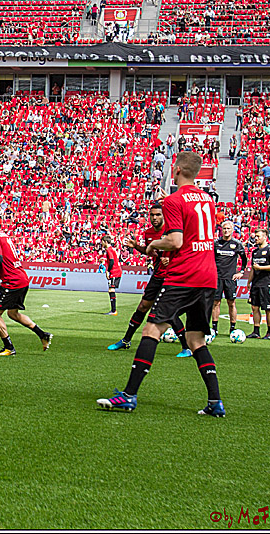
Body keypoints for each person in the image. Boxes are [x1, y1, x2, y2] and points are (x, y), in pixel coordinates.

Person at [97, 151, 224, 417]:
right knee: (196, 339)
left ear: (176, 169)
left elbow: (176, 242)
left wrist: (154, 243)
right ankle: (215, 402)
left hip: (184, 275)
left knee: (151, 331)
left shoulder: (174, 200)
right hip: (207, 275)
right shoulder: (208, 200)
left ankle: (129, 396)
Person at [110, 204, 191, 357]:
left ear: (164, 216)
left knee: (169, 311)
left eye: (158, 215)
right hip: (157, 276)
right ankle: (126, 340)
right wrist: (137, 247)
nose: (155, 218)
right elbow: (151, 253)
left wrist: (172, 261)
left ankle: (187, 347)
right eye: (152, 215)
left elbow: (184, 252)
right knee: (142, 306)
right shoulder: (148, 233)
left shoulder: (172, 232)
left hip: (172, 277)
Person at [0, 212, 52, 356]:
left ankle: (9, 348)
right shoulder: (3, 235)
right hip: (21, 278)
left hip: (13, 282)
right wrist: (0, 274)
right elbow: (8, 259)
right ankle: (42, 335)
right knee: (13, 313)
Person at [212, 220, 247, 337]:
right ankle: (214, 328)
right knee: (216, 303)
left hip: (230, 278)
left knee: (231, 303)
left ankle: (232, 328)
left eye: (228, 229)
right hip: (217, 277)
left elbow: (244, 259)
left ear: (232, 230)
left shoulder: (236, 244)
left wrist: (241, 272)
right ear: (221, 230)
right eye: (224, 228)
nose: (226, 231)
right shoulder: (216, 243)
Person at [246, 229, 270, 340]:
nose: (256, 238)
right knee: (255, 307)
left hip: (267, 284)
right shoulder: (255, 252)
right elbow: (252, 269)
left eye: (258, 236)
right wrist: (249, 281)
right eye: (255, 236)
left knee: (268, 309)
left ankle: (269, 333)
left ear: (265, 237)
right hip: (256, 284)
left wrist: (261, 268)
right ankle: (256, 331)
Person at [100, 235, 122, 315]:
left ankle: (113, 310)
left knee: (111, 290)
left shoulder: (109, 250)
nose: (101, 243)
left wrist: (108, 271)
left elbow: (112, 261)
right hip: (116, 271)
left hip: (114, 272)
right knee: (111, 290)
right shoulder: (111, 249)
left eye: (102, 242)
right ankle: (113, 310)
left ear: (105, 242)